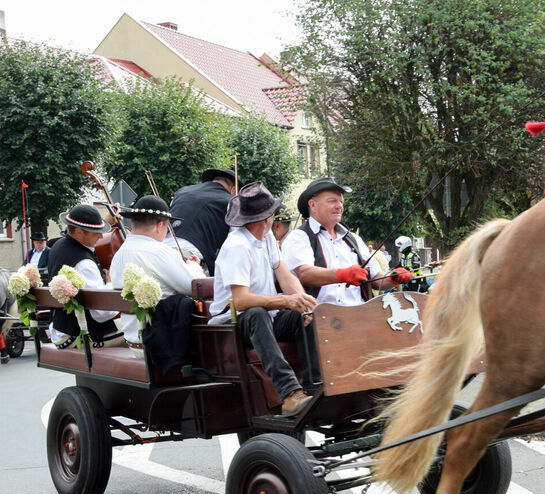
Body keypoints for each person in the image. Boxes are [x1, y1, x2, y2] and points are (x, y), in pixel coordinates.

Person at [210, 182, 317, 417]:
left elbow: (284, 273)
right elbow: (240, 301)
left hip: (265, 318)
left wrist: (303, 301)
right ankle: (289, 394)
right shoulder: (237, 245)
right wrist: (286, 301)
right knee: (257, 313)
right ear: (266, 218)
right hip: (232, 323)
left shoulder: (267, 237)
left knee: (304, 318)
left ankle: (315, 387)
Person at [282, 177, 412, 306]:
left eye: (341, 202)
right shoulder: (299, 237)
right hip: (319, 317)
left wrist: (393, 278)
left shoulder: (354, 239)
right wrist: (342, 274)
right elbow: (305, 274)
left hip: (359, 314)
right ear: (312, 205)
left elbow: (377, 280)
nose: (339, 206)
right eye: (332, 201)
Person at [110, 195, 196, 344]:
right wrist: (193, 266)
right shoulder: (159, 251)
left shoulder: (119, 254)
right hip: (160, 342)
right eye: (167, 227)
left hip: (131, 340)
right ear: (159, 225)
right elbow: (193, 287)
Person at [45, 204, 124, 349]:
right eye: (96, 233)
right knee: (140, 329)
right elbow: (101, 313)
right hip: (77, 335)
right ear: (79, 231)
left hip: (59, 327)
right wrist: (110, 284)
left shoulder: (59, 245)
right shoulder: (84, 263)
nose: (101, 237)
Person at [166, 168, 237, 274]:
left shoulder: (181, 192)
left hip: (163, 252)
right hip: (192, 259)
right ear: (234, 189)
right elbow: (234, 242)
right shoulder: (232, 202)